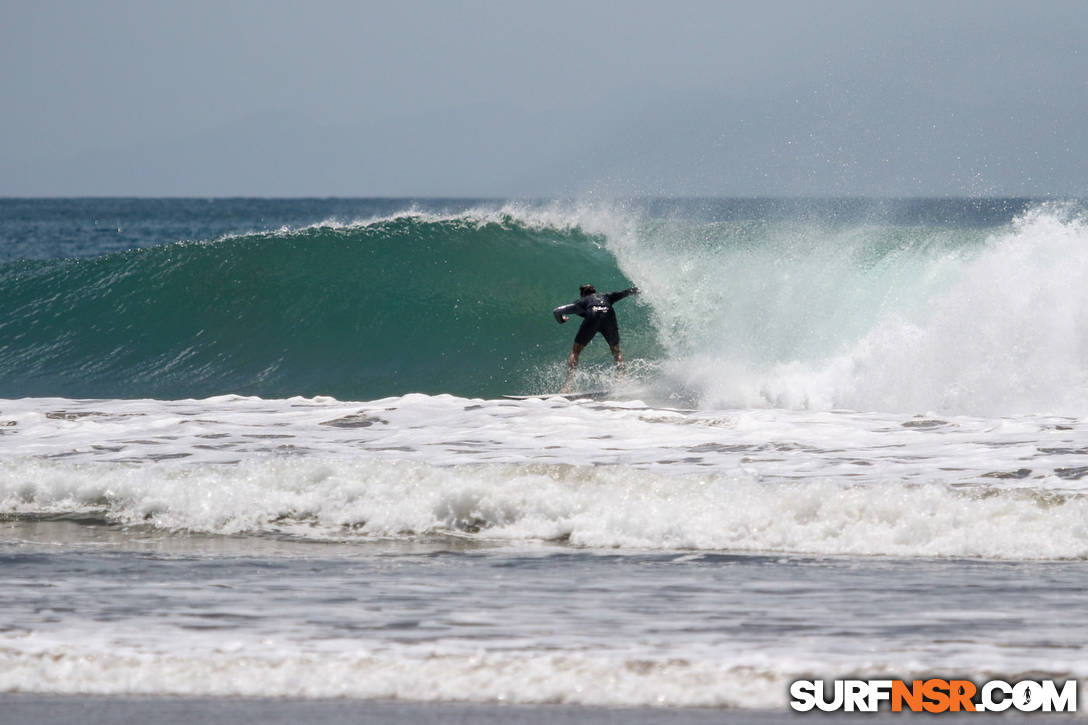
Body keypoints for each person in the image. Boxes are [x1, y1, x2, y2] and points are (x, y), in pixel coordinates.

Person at [553, 284, 639, 388]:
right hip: (609, 317)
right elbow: (625, 292)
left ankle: (568, 385)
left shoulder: (582, 301)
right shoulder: (607, 296)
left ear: (582, 294)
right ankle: (624, 382)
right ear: (594, 291)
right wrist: (639, 289)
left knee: (575, 352)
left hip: (592, 317)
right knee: (616, 352)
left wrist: (562, 320)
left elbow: (557, 311)